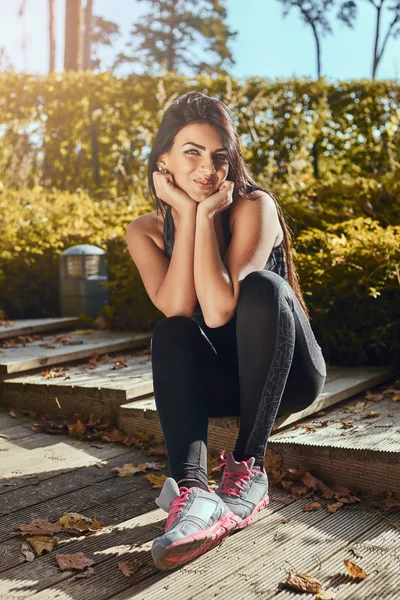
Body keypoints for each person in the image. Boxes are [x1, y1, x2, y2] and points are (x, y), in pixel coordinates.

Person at [125, 91, 327, 571]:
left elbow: (219, 310)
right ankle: (192, 491)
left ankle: (248, 469)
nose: (206, 169)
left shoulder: (255, 206)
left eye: (219, 158)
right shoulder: (145, 231)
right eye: (191, 152)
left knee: (261, 285)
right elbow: (179, 308)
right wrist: (187, 214)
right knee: (171, 333)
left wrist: (206, 213)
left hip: (286, 378)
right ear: (164, 163)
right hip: (222, 386)